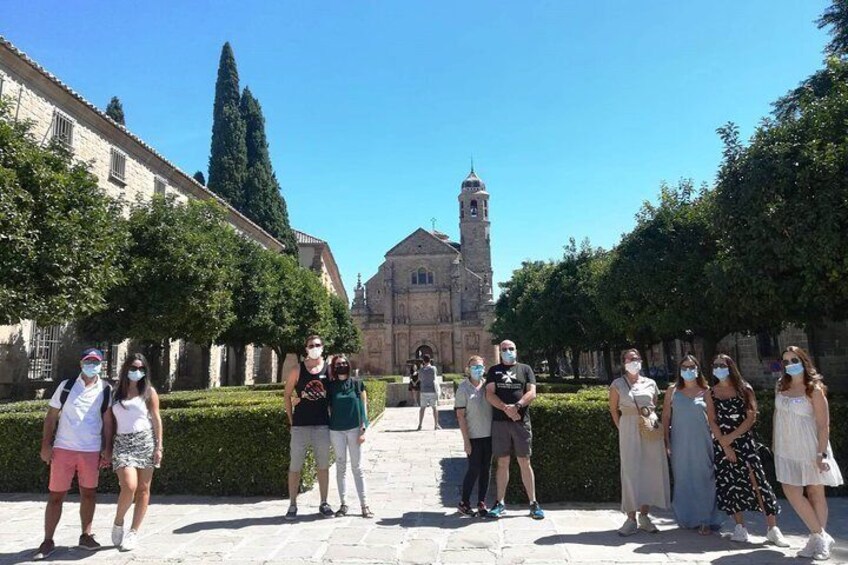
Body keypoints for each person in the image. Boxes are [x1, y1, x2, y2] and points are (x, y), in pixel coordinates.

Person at [33, 348, 114, 561]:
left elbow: (107, 421)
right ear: (81, 363)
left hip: (90, 449)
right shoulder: (66, 386)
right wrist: (46, 445)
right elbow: (51, 417)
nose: (92, 365)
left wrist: (107, 448)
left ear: (101, 365)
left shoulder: (105, 389)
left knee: (89, 494)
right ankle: (48, 540)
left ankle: (86, 535)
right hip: (63, 449)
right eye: (88, 361)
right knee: (56, 495)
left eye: (95, 362)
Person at [705, 353, 788, 547]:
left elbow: (751, 417)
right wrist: (725, 445)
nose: (718, 368)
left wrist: (731, 438)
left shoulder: (744, 388)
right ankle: (740, 527)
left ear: (730, 367)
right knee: (730, 483)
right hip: (723, 444)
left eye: (722, 365)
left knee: (758, 481)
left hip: (744, 442)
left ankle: (772, 528)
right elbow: (712, 420)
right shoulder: (711, 392)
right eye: (715, 365)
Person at [774, 346, 843, 560]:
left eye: (794, 360)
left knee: (815, 493)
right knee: (791, 490)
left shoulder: (814, 389)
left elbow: (824, 425)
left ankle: (817, 540)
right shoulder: (780, 385)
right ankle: (821, 536)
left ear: (804, 361)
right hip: (786, 448)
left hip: (811, 448)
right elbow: (777, 417)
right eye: (785, 362)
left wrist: (821, 454)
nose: (789, 365)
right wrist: (775, 445)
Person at [608, 349, 669, 536]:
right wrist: (623, 428)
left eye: (637, 358)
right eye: (631, 359)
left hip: (649, 428)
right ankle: (630, 518)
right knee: (631, 471)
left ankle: (644, 515)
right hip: (628, 426)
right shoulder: (617, 384)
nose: (635, 361)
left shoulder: (650, 383)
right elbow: (613, 410)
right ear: (624, 362)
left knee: (650, 470)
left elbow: (653, 405)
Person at [661, 354, 723, 535]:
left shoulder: (706, 391)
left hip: (702, 441)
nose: (688, 371)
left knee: (705, 479)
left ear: (697, 369)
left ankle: (705, 520)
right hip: (679, 441)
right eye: (684, 368)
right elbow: (666, 417)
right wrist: (667, 441)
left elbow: (713, 418)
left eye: (691, 367)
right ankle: (686, 518)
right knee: (683, 479)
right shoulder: (672, 391)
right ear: (680, 371)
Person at [485, 340, 544, 520]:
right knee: (502, 462)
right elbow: (489, 394)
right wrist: (506, 409)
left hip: (521, 421)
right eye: (504, 349)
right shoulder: (494, 371)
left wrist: (516, 407)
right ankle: (500, 502)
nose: (507, 351)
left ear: (516, 350)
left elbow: (532, 392)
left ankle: (533, 502)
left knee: (524, 461)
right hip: (501, 422)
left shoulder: (525, 369)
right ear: (499, 351)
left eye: (511, 349)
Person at [109, 353, 162, 552]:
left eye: (141, 369)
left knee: (143, 490)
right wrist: (106, 447)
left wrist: (159, 447)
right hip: (122, 442)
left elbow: (156, 419)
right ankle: (119, 521)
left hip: (145, 441)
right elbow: (108, 422)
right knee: (129, 486)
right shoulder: (115, 393)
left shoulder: (149, 392)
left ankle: (133, 532)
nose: (136, 372)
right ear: (126, 369)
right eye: (133, 368)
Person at [284, 335, 333, 520]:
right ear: (306, 348)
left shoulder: (329, 371)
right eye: (311, 345)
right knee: (295, 466)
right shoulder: (297, 370)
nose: (314, 347)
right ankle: (292, 504)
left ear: (323, 347)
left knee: (323, 466)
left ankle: (324, 502)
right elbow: (287, 395)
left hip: (322, 425)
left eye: (318, 345)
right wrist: (291, 420)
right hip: (300, 425)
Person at [327, 354, 373, 519]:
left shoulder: (358, 384)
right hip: (336, 430)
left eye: (344, 363)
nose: (342, 365)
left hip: (354, 430)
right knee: (341, 466)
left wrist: (363, 428)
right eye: (338, 364)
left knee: (357, 468)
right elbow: (327, 408)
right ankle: (343, 504)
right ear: (334, 367)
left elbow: (364, 407)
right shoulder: (331, 386)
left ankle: (364, 504)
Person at [455, 355, 493, 517]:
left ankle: (481, 502)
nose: (478, 369)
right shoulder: (463, 388)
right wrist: (466, 441)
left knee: (486, 470)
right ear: (468, 369)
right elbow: (460, 416)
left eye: (480, 366)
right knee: (474, 469)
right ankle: (464, 502)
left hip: (489, 435)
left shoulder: (489, 386)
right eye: (474, 367)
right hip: (474, 437)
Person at [416, 355, 441, 431]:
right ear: (430, 360)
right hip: (432, 391)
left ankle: (420, 425)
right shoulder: (433, 368)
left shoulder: (421, 370)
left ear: (423, 361)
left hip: (423, 391)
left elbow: (419, 379)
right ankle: (436, 425)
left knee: (422, 408)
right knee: (434, 408)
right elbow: (435, 376)